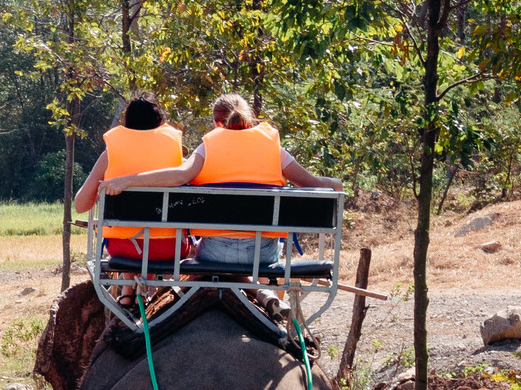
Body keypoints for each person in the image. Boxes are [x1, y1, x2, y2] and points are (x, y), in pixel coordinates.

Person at [103, 93, 343, 270]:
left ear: (217, 122)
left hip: (216, 252)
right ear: (248, 117)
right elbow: (311, 183)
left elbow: (178, 176)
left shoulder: (208, 147)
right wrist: (335, 184)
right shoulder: (274, 149)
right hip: (262, 254)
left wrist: (127, 180)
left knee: (195, 257)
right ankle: (264, 294)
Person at [73, 95, 186, 271]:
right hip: (169, 247)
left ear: (126, 122)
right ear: (160, 121)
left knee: (133, 244)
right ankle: (138, 291)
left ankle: (128, 293)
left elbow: (80, 205)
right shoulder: (177, 160)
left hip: (124, 248)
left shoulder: (110, 155)